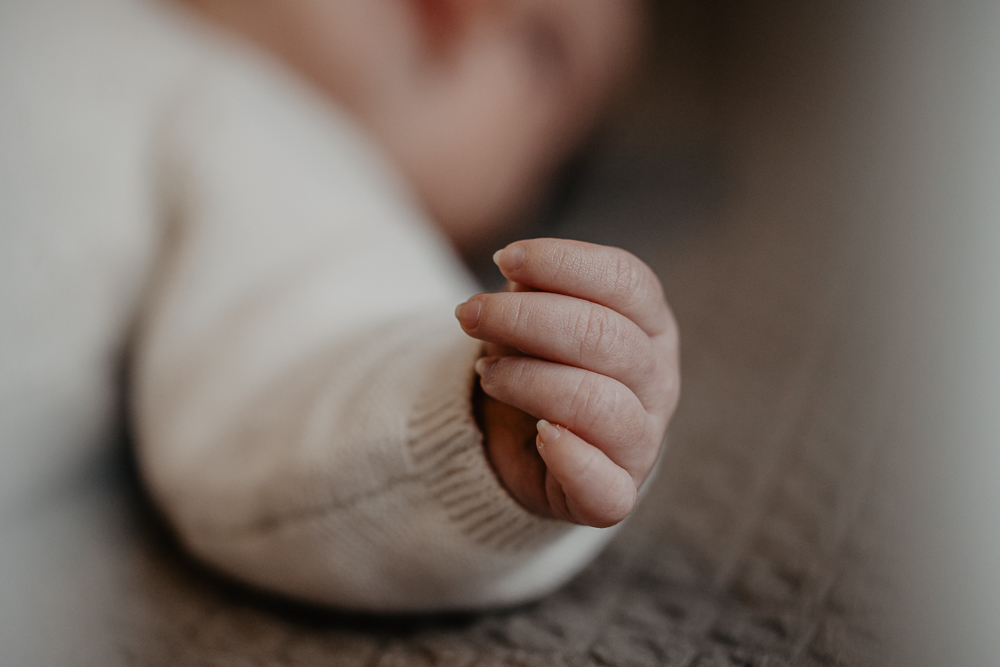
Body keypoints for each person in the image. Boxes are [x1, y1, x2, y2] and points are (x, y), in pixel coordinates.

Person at [0, 0, 679, 610]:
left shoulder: (276, 138)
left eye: (543, 46)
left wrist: (478, 408)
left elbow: (296, 374)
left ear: (503, 205)